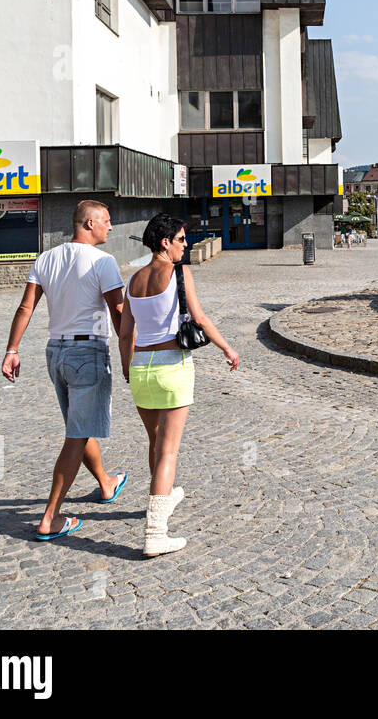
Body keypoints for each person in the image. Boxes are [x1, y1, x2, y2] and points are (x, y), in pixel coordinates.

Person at [2, 200, 128, 541]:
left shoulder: (46, 257)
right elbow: (119, 313)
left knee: (78, 425)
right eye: (106, 220)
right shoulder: (103, 262)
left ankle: (105, 483)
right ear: (88, 223)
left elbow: (26, 306)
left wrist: (12, 350)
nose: (111, 227)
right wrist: (129, 355)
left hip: (55, 353)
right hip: (87, 352)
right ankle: (50, 517)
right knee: (76, 435)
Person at [119, 214, 239, 556]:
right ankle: (155, 532)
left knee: (156, 443)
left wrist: (128, 368)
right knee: (169, 451)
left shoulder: (133, 281)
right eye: (181, 240)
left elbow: (126, 332)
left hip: (141, 367)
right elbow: (199, 318)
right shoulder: (179, 274)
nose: (185, 245)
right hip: (173, 367)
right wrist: (228, 348)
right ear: (164, 242)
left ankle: (163, 495)